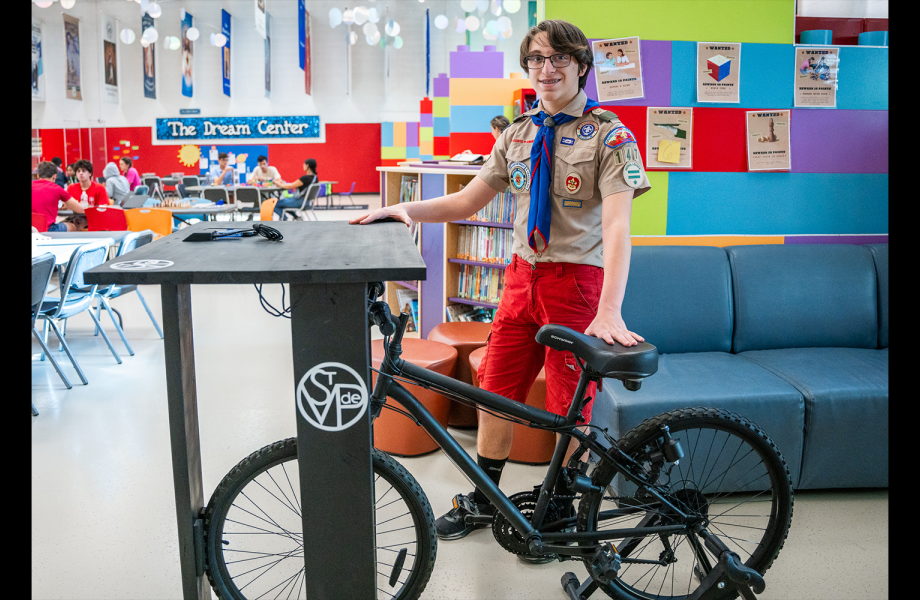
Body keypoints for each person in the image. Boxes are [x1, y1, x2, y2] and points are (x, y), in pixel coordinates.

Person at [350, 19, 650, 558]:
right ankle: (487, 497)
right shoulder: (517, 134)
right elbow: (466, 202)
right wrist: (403, 208)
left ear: (582, 66)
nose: (547, 67)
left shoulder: (611, 136)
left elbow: (618, 228)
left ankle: (558, 507)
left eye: (559, 58)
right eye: (536, 58)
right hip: (518, 281)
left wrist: (610, 311)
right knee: (495, 391)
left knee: (567, 406)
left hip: (575, 285)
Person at [32, 161, 87, 232]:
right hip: (48, 230)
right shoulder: (57, 189)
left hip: (32, 229)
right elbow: (80, 209)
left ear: (38, 176)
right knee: (72, 226)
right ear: (54, 176)